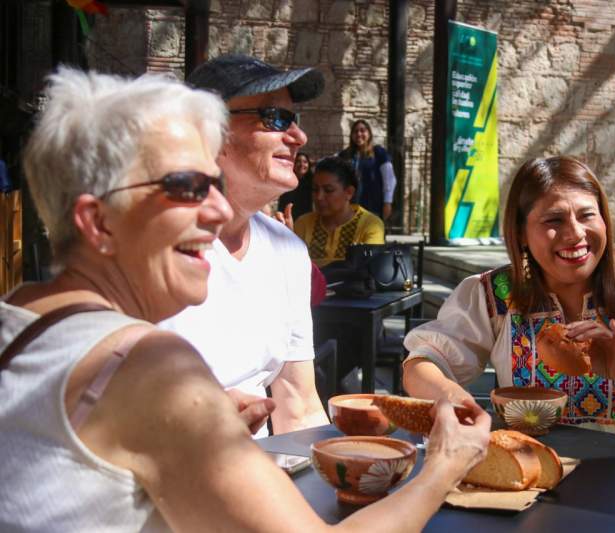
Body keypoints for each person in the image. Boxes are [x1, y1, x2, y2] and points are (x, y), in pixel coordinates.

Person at [0, 67, 491, 532]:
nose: (217, 211)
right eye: (189, 188)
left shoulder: (22, 316)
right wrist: (446, 464)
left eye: (214, 185)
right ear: (99, 221)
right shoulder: (146, 363)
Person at [402, 156, 615, 444]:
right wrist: (461, 403)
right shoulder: (498, 294)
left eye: (587, 215)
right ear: (520, 234)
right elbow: (420, 365)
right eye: (553, 221)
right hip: (527, 475)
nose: (575, 234)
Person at [159, 54, 328, 436]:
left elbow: (298, 406)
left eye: (294, 119)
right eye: (275, 117)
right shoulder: (154, 250)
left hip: (260, 478)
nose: (298, 137)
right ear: (211, 134)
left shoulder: (287, 250)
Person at [294, 156, 384, 268]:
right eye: (315, 189)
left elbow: (369, 271)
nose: (319, 197)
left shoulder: (370, 225)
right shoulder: (303, 224)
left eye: (328, 190)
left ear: (349, 192)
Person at [338, 119, 396, 221]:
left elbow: (389, 179)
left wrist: (387, 202)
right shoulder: (345, 155)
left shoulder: (379, 153)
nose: (359, 134)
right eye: (355, 131)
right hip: (349, 209)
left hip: (373, 208)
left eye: (362, 130)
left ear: (369, 133)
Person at [278, 151, 314, 223]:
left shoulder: (313, 182)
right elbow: (282, 204)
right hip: (289, 220)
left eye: (305, 162)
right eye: (298, 161)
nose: (302, 164)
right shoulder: (287, 182)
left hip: (308, 221)